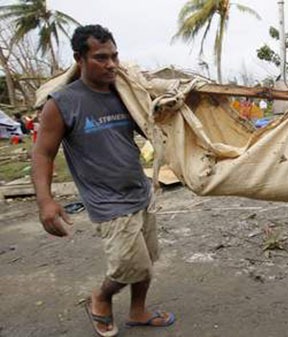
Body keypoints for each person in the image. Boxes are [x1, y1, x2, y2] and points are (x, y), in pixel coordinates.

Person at [31, 25, 174, 337]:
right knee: (130, 264)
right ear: (79, 59)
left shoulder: (125, 94)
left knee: (147, 259)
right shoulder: (63, 102)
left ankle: (138, 311)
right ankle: (101, 297)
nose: (111, 64)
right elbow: (42, 153)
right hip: (107, 201)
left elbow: (152, 127)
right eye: (101, 57)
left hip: (140, 191)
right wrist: (45, 201)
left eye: (114, 56)